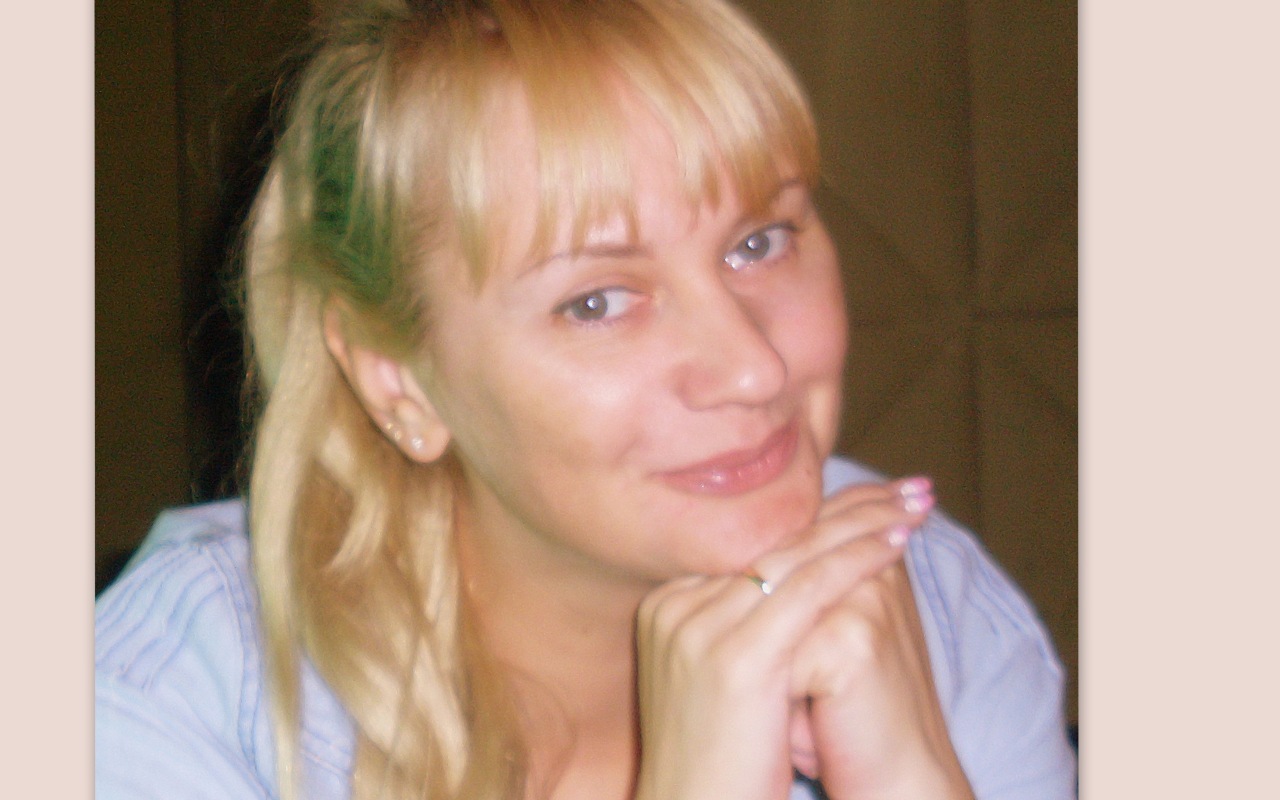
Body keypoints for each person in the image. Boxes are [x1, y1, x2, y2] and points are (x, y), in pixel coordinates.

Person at [95, 0, 1077, 798]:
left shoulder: (922, 601)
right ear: (398, 378)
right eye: (596, 301)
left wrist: (911, 779)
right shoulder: (177, 695)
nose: (752, 369)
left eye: (758, 242)